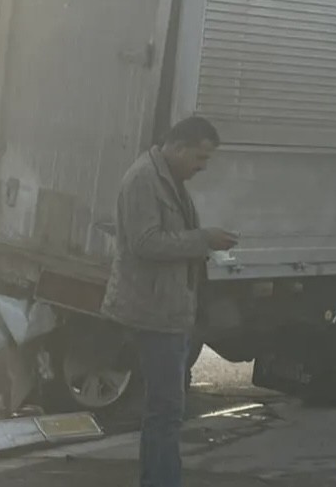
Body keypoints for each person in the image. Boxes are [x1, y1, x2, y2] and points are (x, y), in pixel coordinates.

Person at [100, 116, 238, 487]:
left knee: (165, 408)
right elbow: (146, 242)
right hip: (155, 313)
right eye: (200, 157)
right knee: (165, 410)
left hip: (168, 309)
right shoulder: (145, 179)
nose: (202, 167)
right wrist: (203, 239)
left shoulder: (167, 178)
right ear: (178, 147)